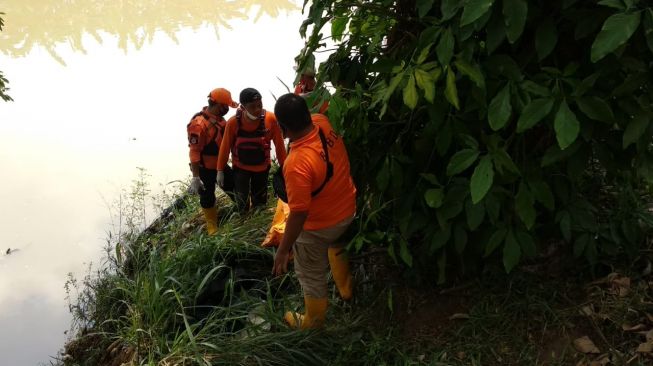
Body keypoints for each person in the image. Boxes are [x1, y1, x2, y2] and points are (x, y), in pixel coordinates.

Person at [272, 93, 357, 329]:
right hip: (348, 209)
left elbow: (299, 214)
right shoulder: (322, 122)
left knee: (310, 273)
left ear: (282, 129)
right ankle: (346, 288)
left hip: (321, 225)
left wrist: (283, 249)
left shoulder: (297, 163)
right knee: (336, 242)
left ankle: (313, 322)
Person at [216, 88, 287, 212]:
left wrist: (286, 169)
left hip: (262, 168)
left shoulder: (270, 120)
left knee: (259, 203)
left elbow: (280, 147)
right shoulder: (233, 123)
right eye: (252, 107)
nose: (257, 110)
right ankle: (243, 219)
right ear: (243, 107)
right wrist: (220, 170)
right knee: (241, 201)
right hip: (240, 169)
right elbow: (225, 147)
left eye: (260, 105)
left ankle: (257, 220)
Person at [187, 88, 238, 235]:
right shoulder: (198, 124)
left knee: (236, 190)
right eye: (226, 106)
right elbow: (194, 151)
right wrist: (195, 177)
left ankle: (244, 212)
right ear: (218, 105)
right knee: (207, 197)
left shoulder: (221, 121)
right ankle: (212, 227)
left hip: (220, 166)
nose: (228, 109)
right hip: (204, 169)